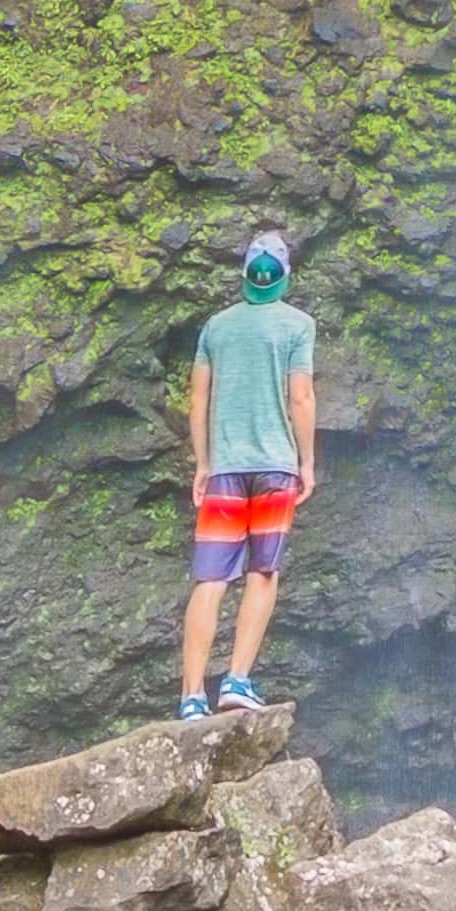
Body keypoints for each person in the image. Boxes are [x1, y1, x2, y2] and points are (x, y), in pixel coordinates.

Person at [181, 231, 317, 716]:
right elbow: (300, 397)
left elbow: (197, 399)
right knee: (263, 571)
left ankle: (192, 697)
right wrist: (307, 463)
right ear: (285, 278)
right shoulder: (298, 325)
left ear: (244, 275)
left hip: (225, 470)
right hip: (275, 467)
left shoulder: (215, 328)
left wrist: (203, 463)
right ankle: (237, 680)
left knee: (210, 580)